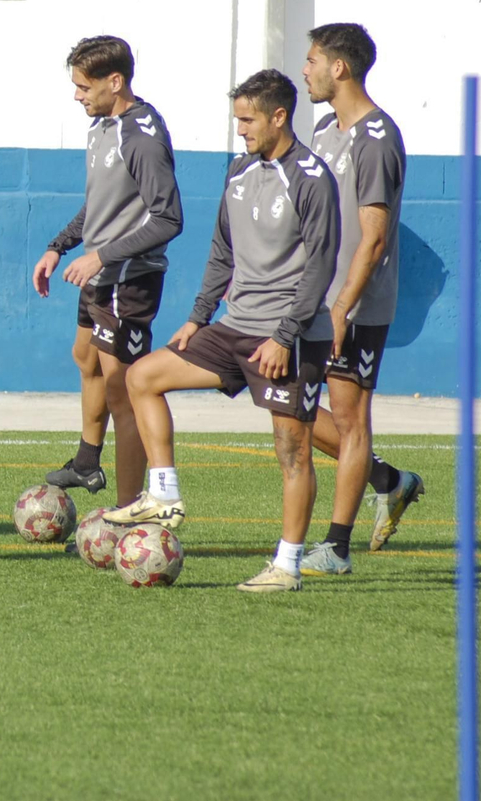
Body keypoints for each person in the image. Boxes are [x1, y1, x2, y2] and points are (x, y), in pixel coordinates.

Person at [106, 69, 340, 593]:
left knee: (291, 448)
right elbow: (222, 253)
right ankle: (164, 494)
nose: (241, 130)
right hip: (231, 326)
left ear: (280, 116)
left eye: (248, 120)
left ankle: (288, 565)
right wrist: (197, 316)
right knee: (142, 377)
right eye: (237, 120)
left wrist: (284, 336)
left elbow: (320, 265)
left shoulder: (310, 176)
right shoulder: (238, 171)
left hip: (288, 335)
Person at [33, 36, 182, 513]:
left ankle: (127, 509)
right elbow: (102, 205)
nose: (77, 95)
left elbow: (168, 219)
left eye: (83, 86)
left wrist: (102, 257)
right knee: (85, 358)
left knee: (124, 394)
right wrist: (60, 246)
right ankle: (87, 461)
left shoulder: (141, 137)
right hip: (100, 275)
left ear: (114, 82)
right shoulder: (102, 127)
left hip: (128, 282)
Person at [297, 23, 422, 574]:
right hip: (311, 298)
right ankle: (389, 481)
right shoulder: (326, 131)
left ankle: (337, 547)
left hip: (354, 307)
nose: (305, 70)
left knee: (349, 418)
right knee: (282, 401)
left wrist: (342, 306)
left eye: (311, 60)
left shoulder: (377, 138)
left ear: (338, 68)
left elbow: (372, 237)